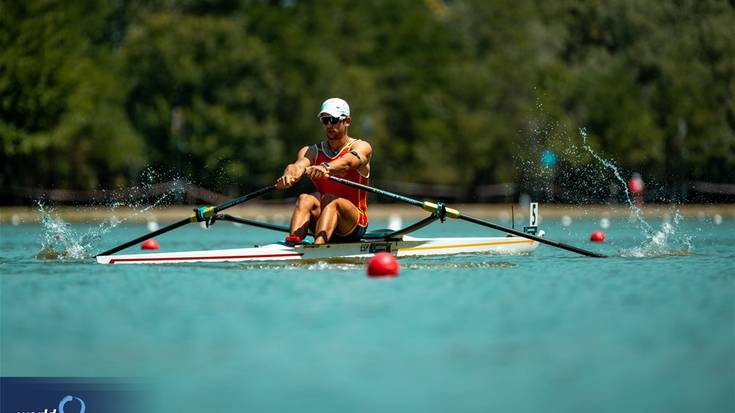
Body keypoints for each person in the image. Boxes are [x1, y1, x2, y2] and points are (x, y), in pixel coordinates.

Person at [275, 98, 372, 245]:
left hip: (354, 224)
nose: (329, 125)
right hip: (324, 221)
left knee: (329, 199)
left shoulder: (361, 146)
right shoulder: (311, 151)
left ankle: (318, 246)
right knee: (305, 198)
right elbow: (298, 165)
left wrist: (325, 167)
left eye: (333, 120)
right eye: (325, 120)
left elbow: (348, 162)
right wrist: (288, 175)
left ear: (347, 121)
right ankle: (293, 243)